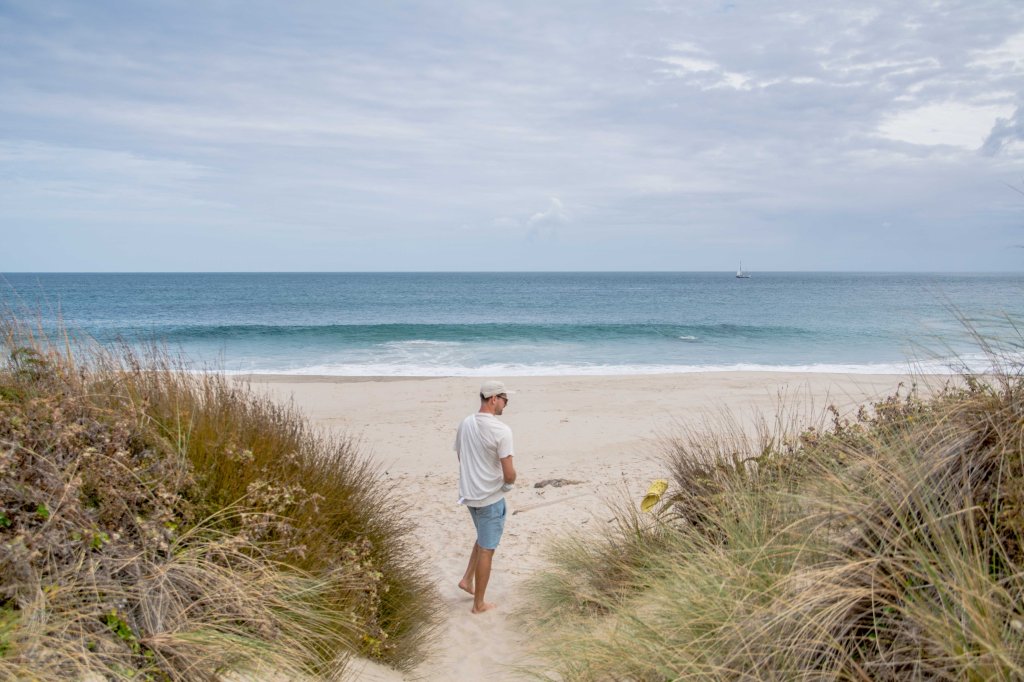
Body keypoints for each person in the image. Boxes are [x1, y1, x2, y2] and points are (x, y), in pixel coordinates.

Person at [455, 379, 517, 613]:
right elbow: (509, 473)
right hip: (490, 498)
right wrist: (509, 482)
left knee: (482, 537)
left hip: (470, 495)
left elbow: (462, 457)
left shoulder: (466, 423)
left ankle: (466, 579)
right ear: (493, 399)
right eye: (505, 399)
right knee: (488, 548)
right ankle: (479, 604)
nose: (506, 404)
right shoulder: (501, 430)